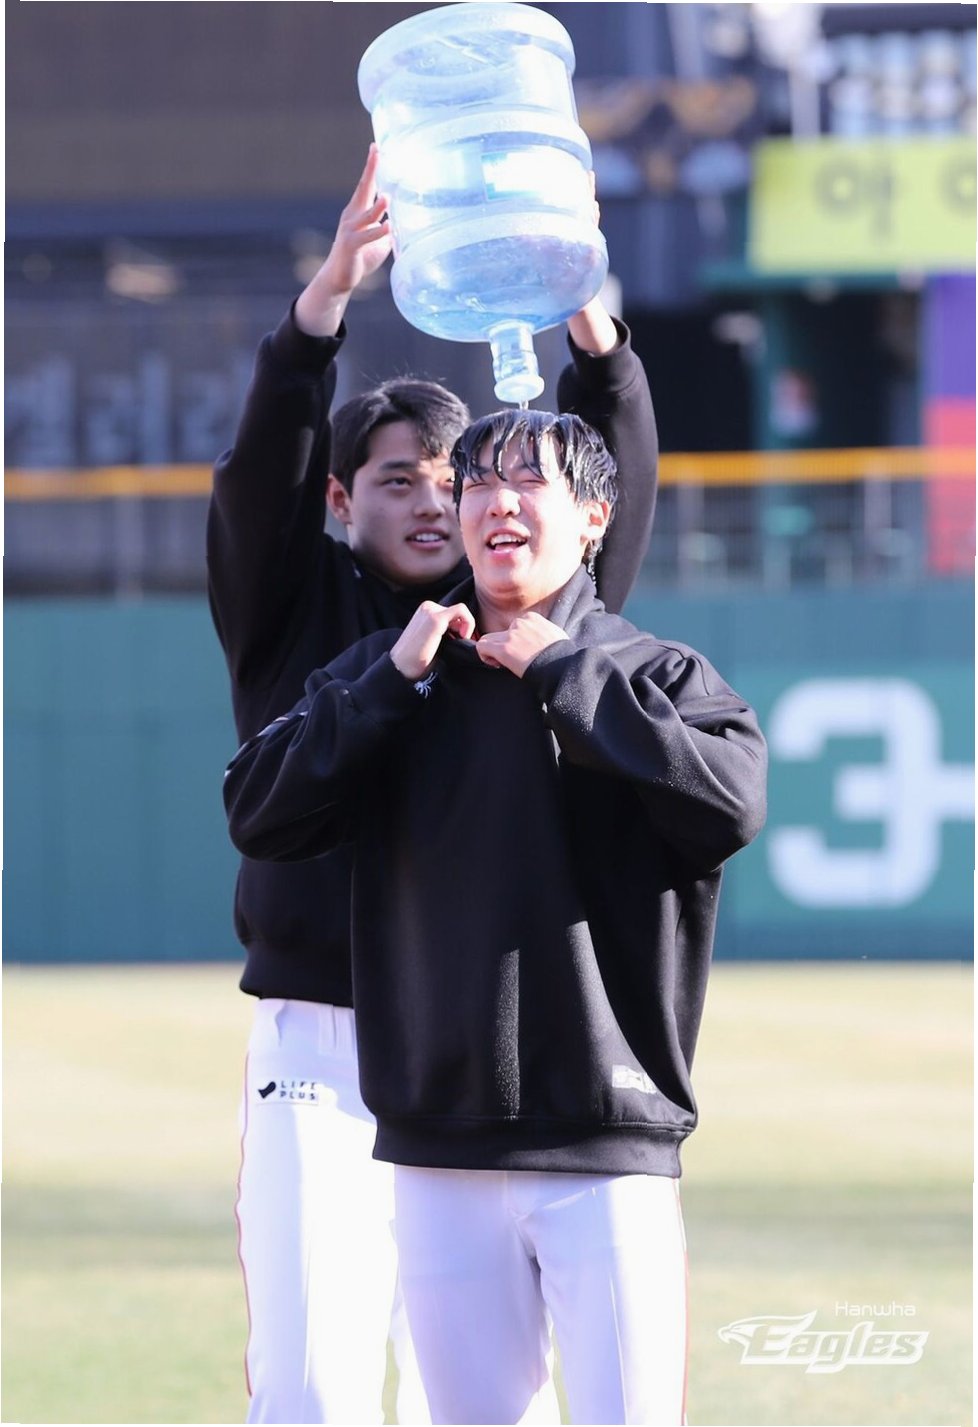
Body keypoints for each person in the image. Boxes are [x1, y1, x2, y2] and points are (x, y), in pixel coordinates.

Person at [207, 145, 659, 1425]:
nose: (430, 500)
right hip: (324, 1032)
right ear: (339, 496)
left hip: (476, 1033)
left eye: (452, 480)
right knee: (315, 1386)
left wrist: (586, 311)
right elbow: (257, 478)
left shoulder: (516, 616)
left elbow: (605, 491)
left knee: (480, 1397)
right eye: (395, 477)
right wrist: (325, 304)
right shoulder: (290, 611)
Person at [222, 408, 768, 1426]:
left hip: (606, 1145)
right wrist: (387, 685)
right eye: (478, 481)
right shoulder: (399, 670)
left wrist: (564, 671)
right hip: (439, 1149)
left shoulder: (656, 674)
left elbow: (728, 804)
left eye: (528, 481)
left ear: (595, 516)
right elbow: (258, 809)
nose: (495, 501)